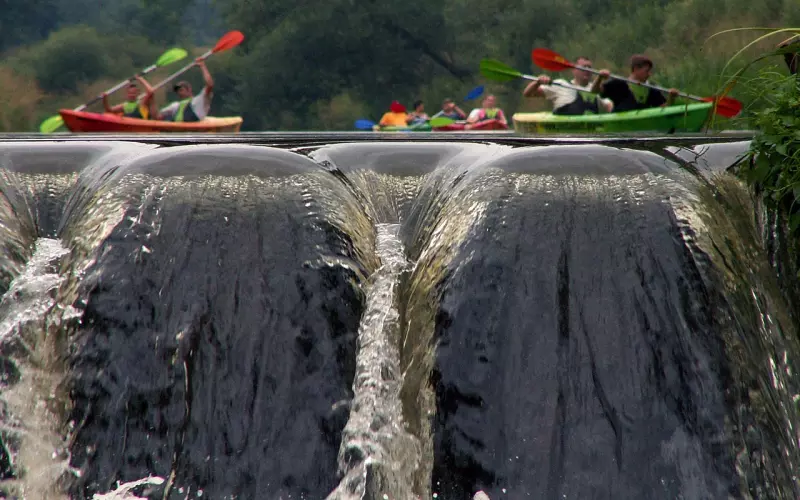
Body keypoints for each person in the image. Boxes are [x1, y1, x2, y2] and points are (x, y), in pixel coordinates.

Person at [522, 56, 613, 115]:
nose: (587, 70)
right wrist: (538, 82)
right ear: (574, 70)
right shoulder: (561, 84)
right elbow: (528, 93)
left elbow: (610, 106)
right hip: (565, 136)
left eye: (590, 68)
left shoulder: (597, 89)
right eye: (584, 67)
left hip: (589, 136)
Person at [591, 54, 679, 112]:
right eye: (646, 71)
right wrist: (600, 78)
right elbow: (594, 91)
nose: (649, 74)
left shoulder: (651, 88)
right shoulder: (619, 84)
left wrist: (671, 98)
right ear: (636, 69)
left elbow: (663, 108)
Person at [158, 57, 214, 122]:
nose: (179, 93)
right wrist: (150, 97)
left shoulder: (199, 100)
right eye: (177, 91)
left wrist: (202, 66)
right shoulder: (175, 106)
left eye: (181, 90)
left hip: (193, 129)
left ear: (189, 89)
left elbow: (210, 84)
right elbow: (158, 116)